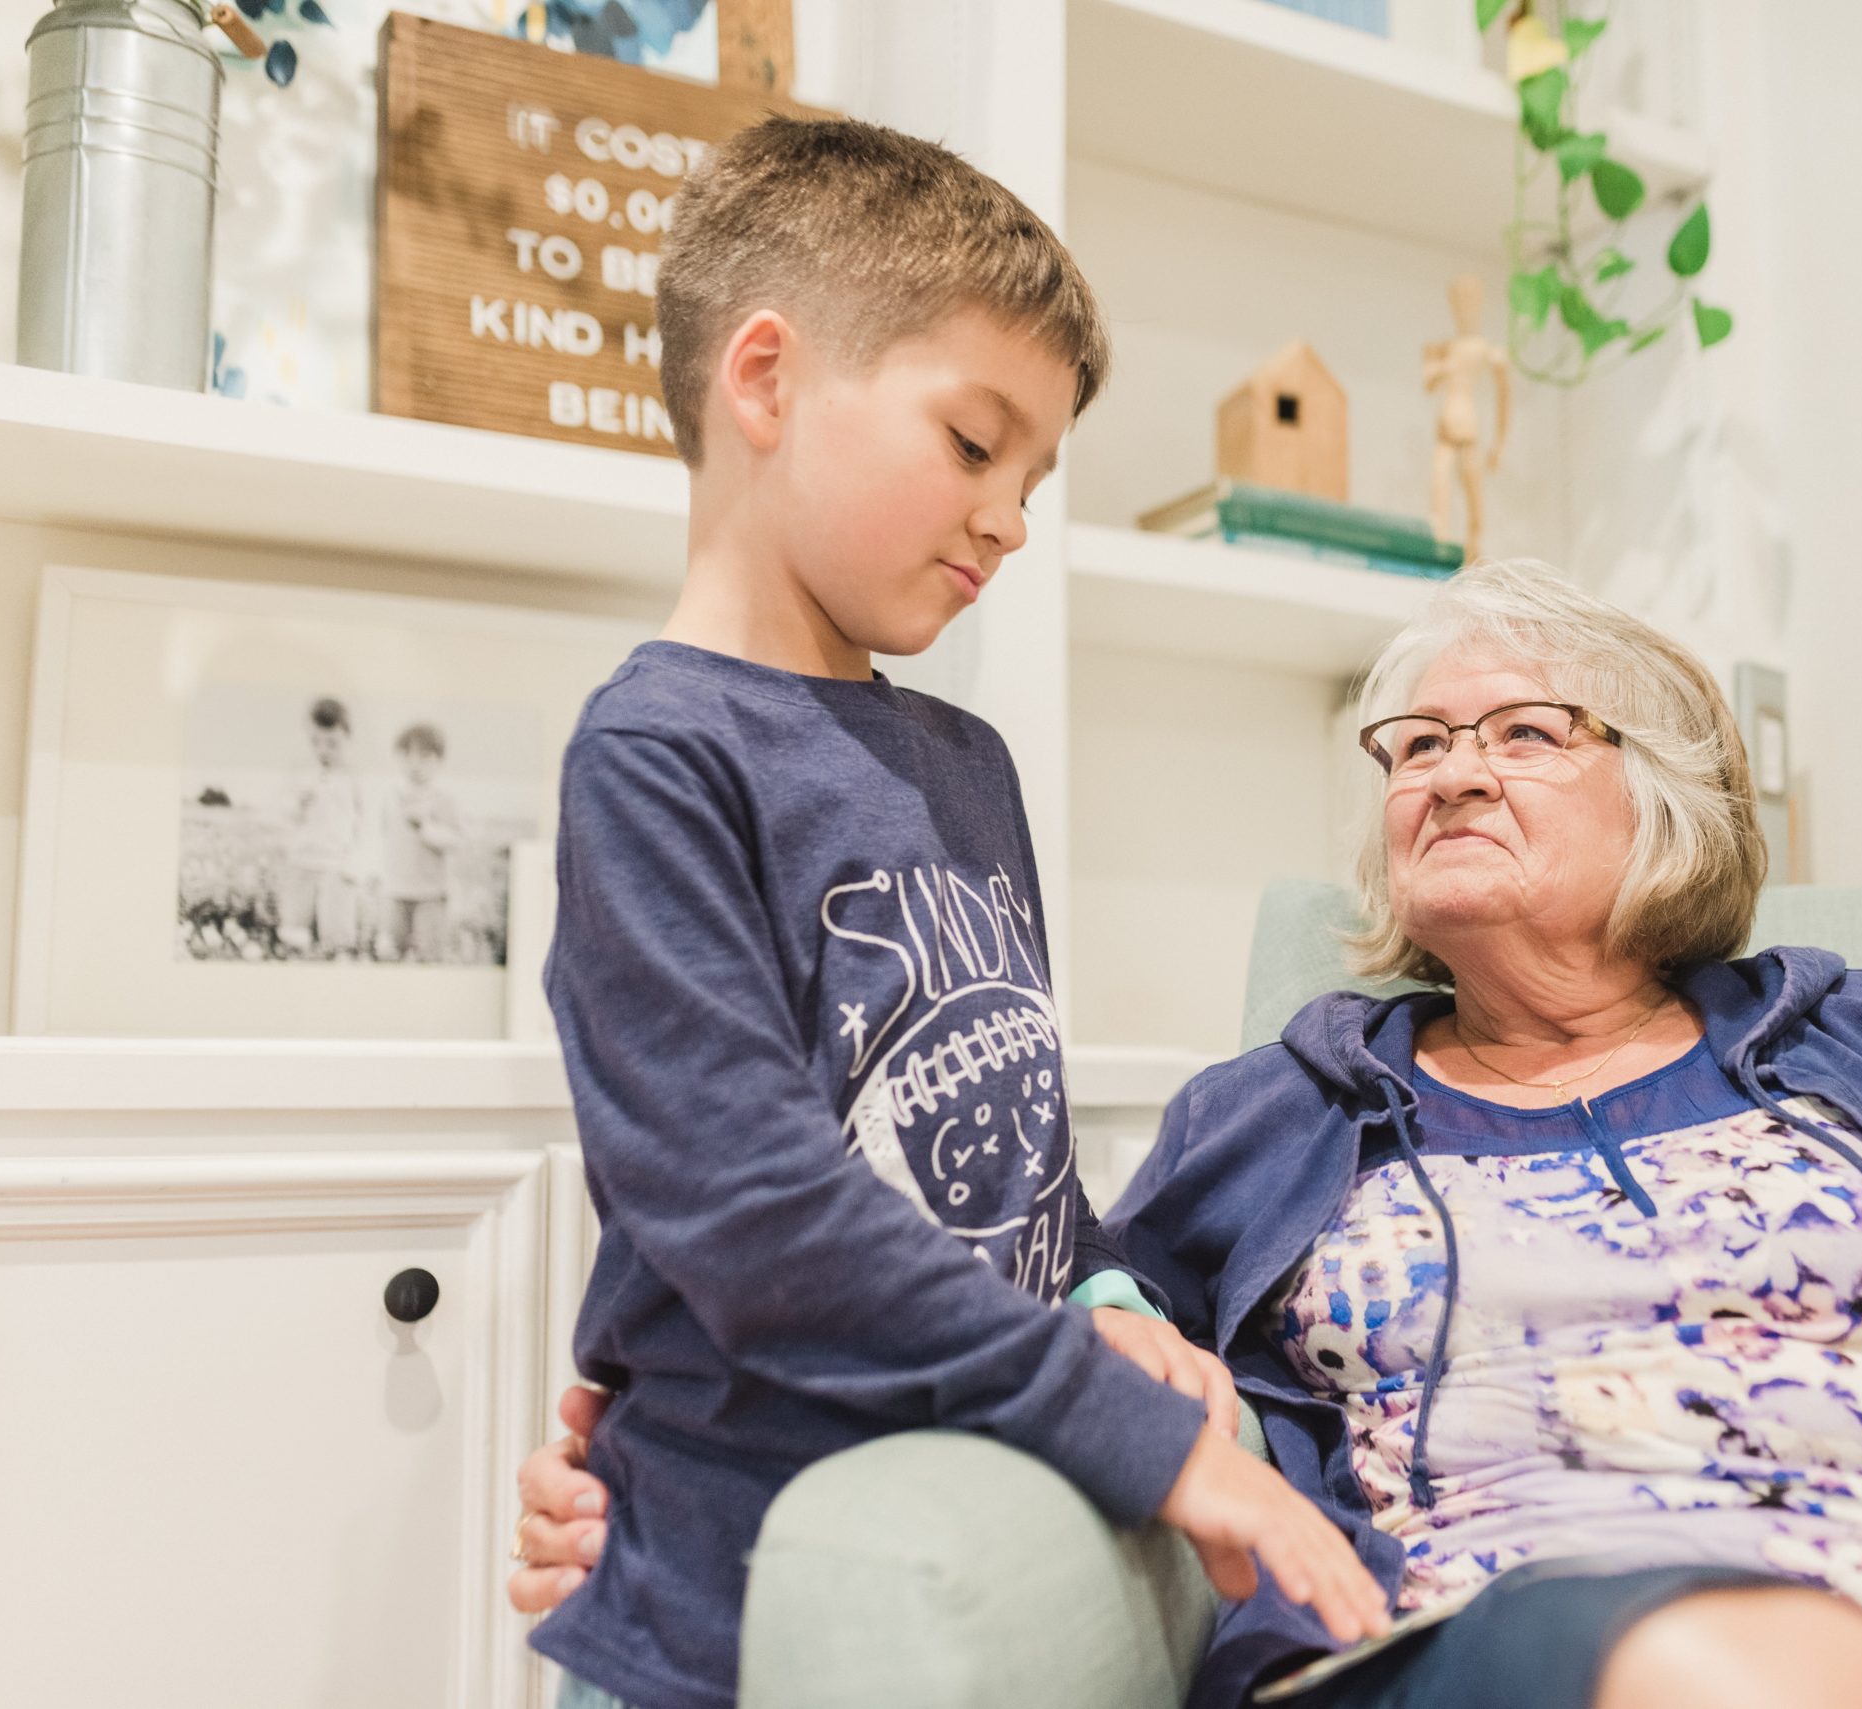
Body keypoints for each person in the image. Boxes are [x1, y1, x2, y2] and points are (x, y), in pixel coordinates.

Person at [518, 559, 1862, 1709]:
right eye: (1414, 740)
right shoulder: (1285, 1103)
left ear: (1667, 794)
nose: (1446, 768)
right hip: (1485, 1644)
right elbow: (1025, 1308)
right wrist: (682, 1478)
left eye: (1522, 729)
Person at [519, 115, 1387, 1709]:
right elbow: (752, 1209)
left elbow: (1017, 1163)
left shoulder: (964, 766)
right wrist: (1131, 1431)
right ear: (766, 381)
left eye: (1038, 475)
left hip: (970, 1512)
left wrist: (1115, 1299)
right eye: (976, 444)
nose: (1012, 517)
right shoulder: (655, 758)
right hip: (737, 1605)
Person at [276, 694, 367, 957]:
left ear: (348, 739)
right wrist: (297, 804)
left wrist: (356, 863)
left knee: (337, 938)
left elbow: (364, 824)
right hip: (302, 861)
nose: (323, 751)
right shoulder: (303, 774)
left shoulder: (353, 777)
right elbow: (285, 815)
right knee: (293, 931)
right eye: (315, 742)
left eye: (333, 744)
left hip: (337, 865)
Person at [378, 721, 461, 961]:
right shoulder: (390, 796)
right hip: (395, 890)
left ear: (438, 760)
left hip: (430, 894)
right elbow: (383, 835)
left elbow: (457, 839)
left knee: (429, 956)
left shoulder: (444, 798)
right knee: (390, 953)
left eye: (425, 756)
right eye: (407, 755)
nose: (415, 764)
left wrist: (426, 828)